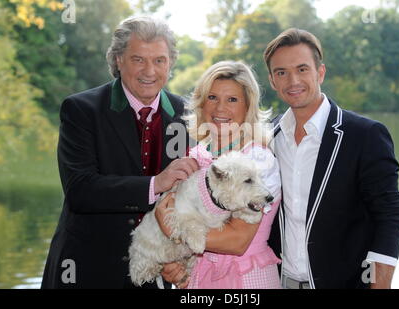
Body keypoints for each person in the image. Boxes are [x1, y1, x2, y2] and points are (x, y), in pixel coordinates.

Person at [41, 16, 198, 289]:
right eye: (138, 59)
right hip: (86, 270)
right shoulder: (81, 110)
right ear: (117, 60)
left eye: (159, 60)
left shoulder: (187, 116)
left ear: (170, 63)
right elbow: (80, 191)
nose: (149, 71)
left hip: (157, 272)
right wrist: (155, 183)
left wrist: (181, 255)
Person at [264, 28, 399, 289]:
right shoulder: (265, 138)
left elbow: (389, 217)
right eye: (281, 72)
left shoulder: (365, 135)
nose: (292, 80)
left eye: (302, 69)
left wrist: (380, 285)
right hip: (277, 282)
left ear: (320, 72)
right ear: (273, 81)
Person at [155, 61, 282, 289]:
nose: (220, 109)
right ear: (201, 103)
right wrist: (172, 264)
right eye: (212, 97)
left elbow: (237, 241)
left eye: (232, 99)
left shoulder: (258, 160)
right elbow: (177, 212)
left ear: (248, 106)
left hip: (246, 279)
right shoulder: (197, 155)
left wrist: (172, 230)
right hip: (197, 279)